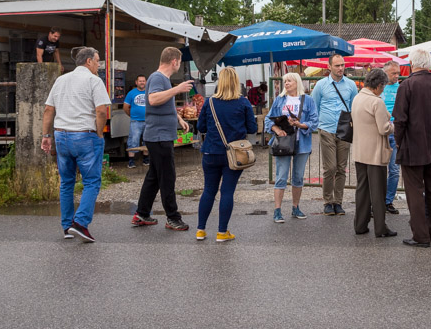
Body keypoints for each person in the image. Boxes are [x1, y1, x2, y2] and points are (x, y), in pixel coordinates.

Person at [42, 47, 111, 243]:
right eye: (97, 61)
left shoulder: (61, 80)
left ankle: (67, 226)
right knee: (91, 181)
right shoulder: (94, 81)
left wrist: (46, 135)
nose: (98, 65)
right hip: (85, 136)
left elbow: (48, 110)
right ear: (88, 61)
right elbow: (101, 111)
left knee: (66, 182)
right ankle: (80, 223)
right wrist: (99, 133)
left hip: (61, 136)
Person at [393, 48, 431, 248]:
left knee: (415, 193)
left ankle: (420, 235)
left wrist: (399, 141)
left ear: (412, 64)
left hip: (413, 147)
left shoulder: (407, 85)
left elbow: (400, 119)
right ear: (428, 64)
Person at [131, 47, 193, 231]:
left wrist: (179, 119)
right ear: (174, 61)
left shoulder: (161, 79)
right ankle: (173, 217)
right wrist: (177, 89)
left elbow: (164, 103)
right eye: (179, 62)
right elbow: (153, 99)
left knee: (155, 177)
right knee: (167, 177)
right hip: (159, 136)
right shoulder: (158, 78)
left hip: (159, 135)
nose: (179, 65)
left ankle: (142, 213)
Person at [195, 67, 256, 242]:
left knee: (208, 190)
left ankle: (200, 230)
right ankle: (222, 232)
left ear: (219, 82)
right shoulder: (243, 103)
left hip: (211, 151)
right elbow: (252, 128)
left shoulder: (210, 102)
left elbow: (200, 127)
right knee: (227, 192)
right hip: (234, 154)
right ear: (236, 82)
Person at [265, 72, 319, 223]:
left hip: (302, 143)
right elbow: (268, 120)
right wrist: (277, 130)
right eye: (285, 81)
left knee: (298, 176)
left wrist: (300, 125)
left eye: (289, 81)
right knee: (281, 176)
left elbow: (314, 121)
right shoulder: (280, 99)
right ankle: (277, 210)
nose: (286, 83)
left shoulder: (308, 100)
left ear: (297, 82)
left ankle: (295, 207)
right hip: (283, 142)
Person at [310, 53, 358, 216]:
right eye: (337, 65)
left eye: (342, 65)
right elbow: (314, 106)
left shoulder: (351, 85)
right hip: (327, 130)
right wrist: (319, 126)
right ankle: (327, 201)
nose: (341, 68)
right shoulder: (321, 85)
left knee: (341, 168)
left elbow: (354, 106)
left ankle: (338, 202)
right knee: (330, 168)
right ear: (329, 67)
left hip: (344, 130)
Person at [351, 68, 397, 238]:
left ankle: (360, 224)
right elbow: (384, 128)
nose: (383, 90)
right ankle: (380, 227)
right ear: (378, 86)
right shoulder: (377, 102)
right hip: (375, 153)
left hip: (360, 151)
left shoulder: (357, 98)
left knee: (362, 190)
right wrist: (394, 126)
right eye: (383, 86)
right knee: (378, 192)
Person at [381, 61, 402, 215]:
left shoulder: (401, 88)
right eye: (393, 73)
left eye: (398, 73)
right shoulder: (378, 88)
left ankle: (388, 201)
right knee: (379, 168)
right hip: (381, 131)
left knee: (394, 170)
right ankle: (377, 200)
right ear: (385, 73)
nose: (396, 76)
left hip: (396, 131)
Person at [122, 74, 149, 168]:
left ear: (146, 82)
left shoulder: (149, 92)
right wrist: (132, 115)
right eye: (140, 81)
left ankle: (146, 160)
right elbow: (125, 107)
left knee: (147, 140)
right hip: (136, 121)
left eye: (143, 81)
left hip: (148, 121)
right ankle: (131, 161)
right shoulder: (131, 93)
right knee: (133, 140)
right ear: (136, 82)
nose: (142, 82)